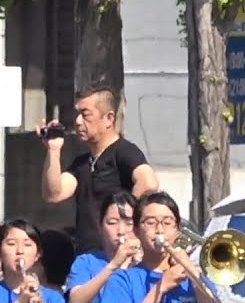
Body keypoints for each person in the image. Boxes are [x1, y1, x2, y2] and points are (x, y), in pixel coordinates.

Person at [40, 83, 159, 252]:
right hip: (86, 255)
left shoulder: (124, 151)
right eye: (77, 114)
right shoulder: (81, 163)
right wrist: (53, 149)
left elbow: (148, 182)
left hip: (116, 255)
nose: (78, 121)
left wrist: (124, 223)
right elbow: (54, 193)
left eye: (85, 114)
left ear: (109, 118)